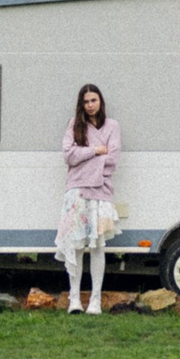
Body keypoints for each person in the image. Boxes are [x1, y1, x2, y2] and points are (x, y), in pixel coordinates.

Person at [56, 83, 121, 315]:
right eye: (86, 101)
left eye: (94, 100)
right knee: (75, 244)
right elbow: (68, 156)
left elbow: (112, 159)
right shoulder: (74, 125)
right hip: (76, 192)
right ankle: (74, 299)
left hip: (101, 193)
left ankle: (95, 300)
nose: (90, 105)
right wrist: (95, 151)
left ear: (100, 101)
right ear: (81, 104)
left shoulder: (112, 126)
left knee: (97, 246)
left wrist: (85, 161)